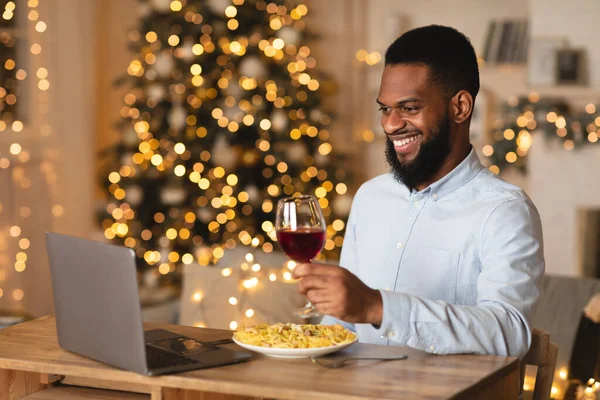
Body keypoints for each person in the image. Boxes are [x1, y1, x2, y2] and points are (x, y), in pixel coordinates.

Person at [292, 25, 545, 358]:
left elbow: (509, 332)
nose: (390, 124)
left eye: (409, 108)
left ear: (460, 107)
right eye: (385, 108)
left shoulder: (505, 211)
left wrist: (378, 307)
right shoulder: (370, 198)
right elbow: (344, 326)